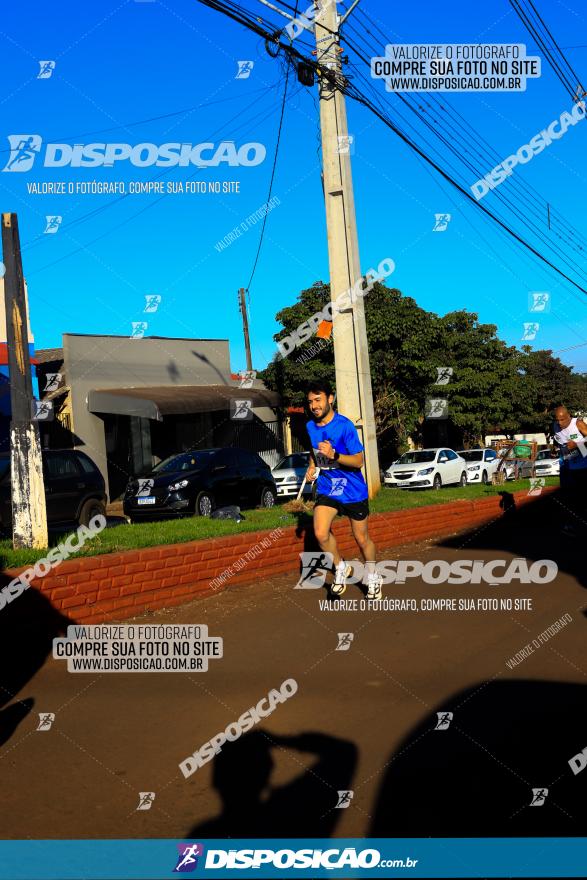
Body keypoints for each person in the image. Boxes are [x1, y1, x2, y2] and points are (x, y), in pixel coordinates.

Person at [304, 379, 382, 599]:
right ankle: (340, 567)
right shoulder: (310, 426)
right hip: (329, 488)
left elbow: (359, 461)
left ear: (330, 399)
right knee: (320, 532)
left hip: (353, 489)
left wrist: (334, 455)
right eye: (310, 402)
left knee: (361, 538)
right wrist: (312, 467)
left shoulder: (345, 425)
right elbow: (313, 453)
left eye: (318, 400)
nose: (314, 406)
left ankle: (373, 575)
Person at [553, 406, 587, 536]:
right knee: (566, 495)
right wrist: (554, 448)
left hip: (583, 463)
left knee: (581, 495)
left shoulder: (577, 423)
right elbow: (558, 440)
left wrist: (578, 444)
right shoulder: (555, 426)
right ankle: (569, 524)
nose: (560, 423)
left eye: (562, 420)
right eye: (558, 420)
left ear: (568, 416)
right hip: (566, 463)